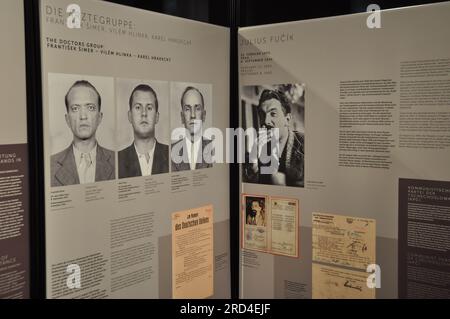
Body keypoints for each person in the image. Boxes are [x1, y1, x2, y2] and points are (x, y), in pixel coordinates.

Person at [51, 80, 115, 187]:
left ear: (99, 117)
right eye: (75, 108)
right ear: (67, 119)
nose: (83, 116)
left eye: (90, 108)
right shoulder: (50, 166)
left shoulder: (118, 161)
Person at [244, 89, 304, 187]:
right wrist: (254, 167)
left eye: (273, 114)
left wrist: (283, 186)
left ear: (287, 119)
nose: (266, 121)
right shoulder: (259, 150)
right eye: (262, 115)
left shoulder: (306, 145)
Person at [118, 84, 169, 178]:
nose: (144, 113)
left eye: (149, 108)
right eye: (138, 107)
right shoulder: (117, 160)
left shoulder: (171, 155)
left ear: (157, 117)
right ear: (130, 116)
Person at [171, 86, 213, 171]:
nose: (193, 115)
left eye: (197, 109)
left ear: (204, 115)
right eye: (187, 109)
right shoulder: (170, 152)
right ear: (182, 116)